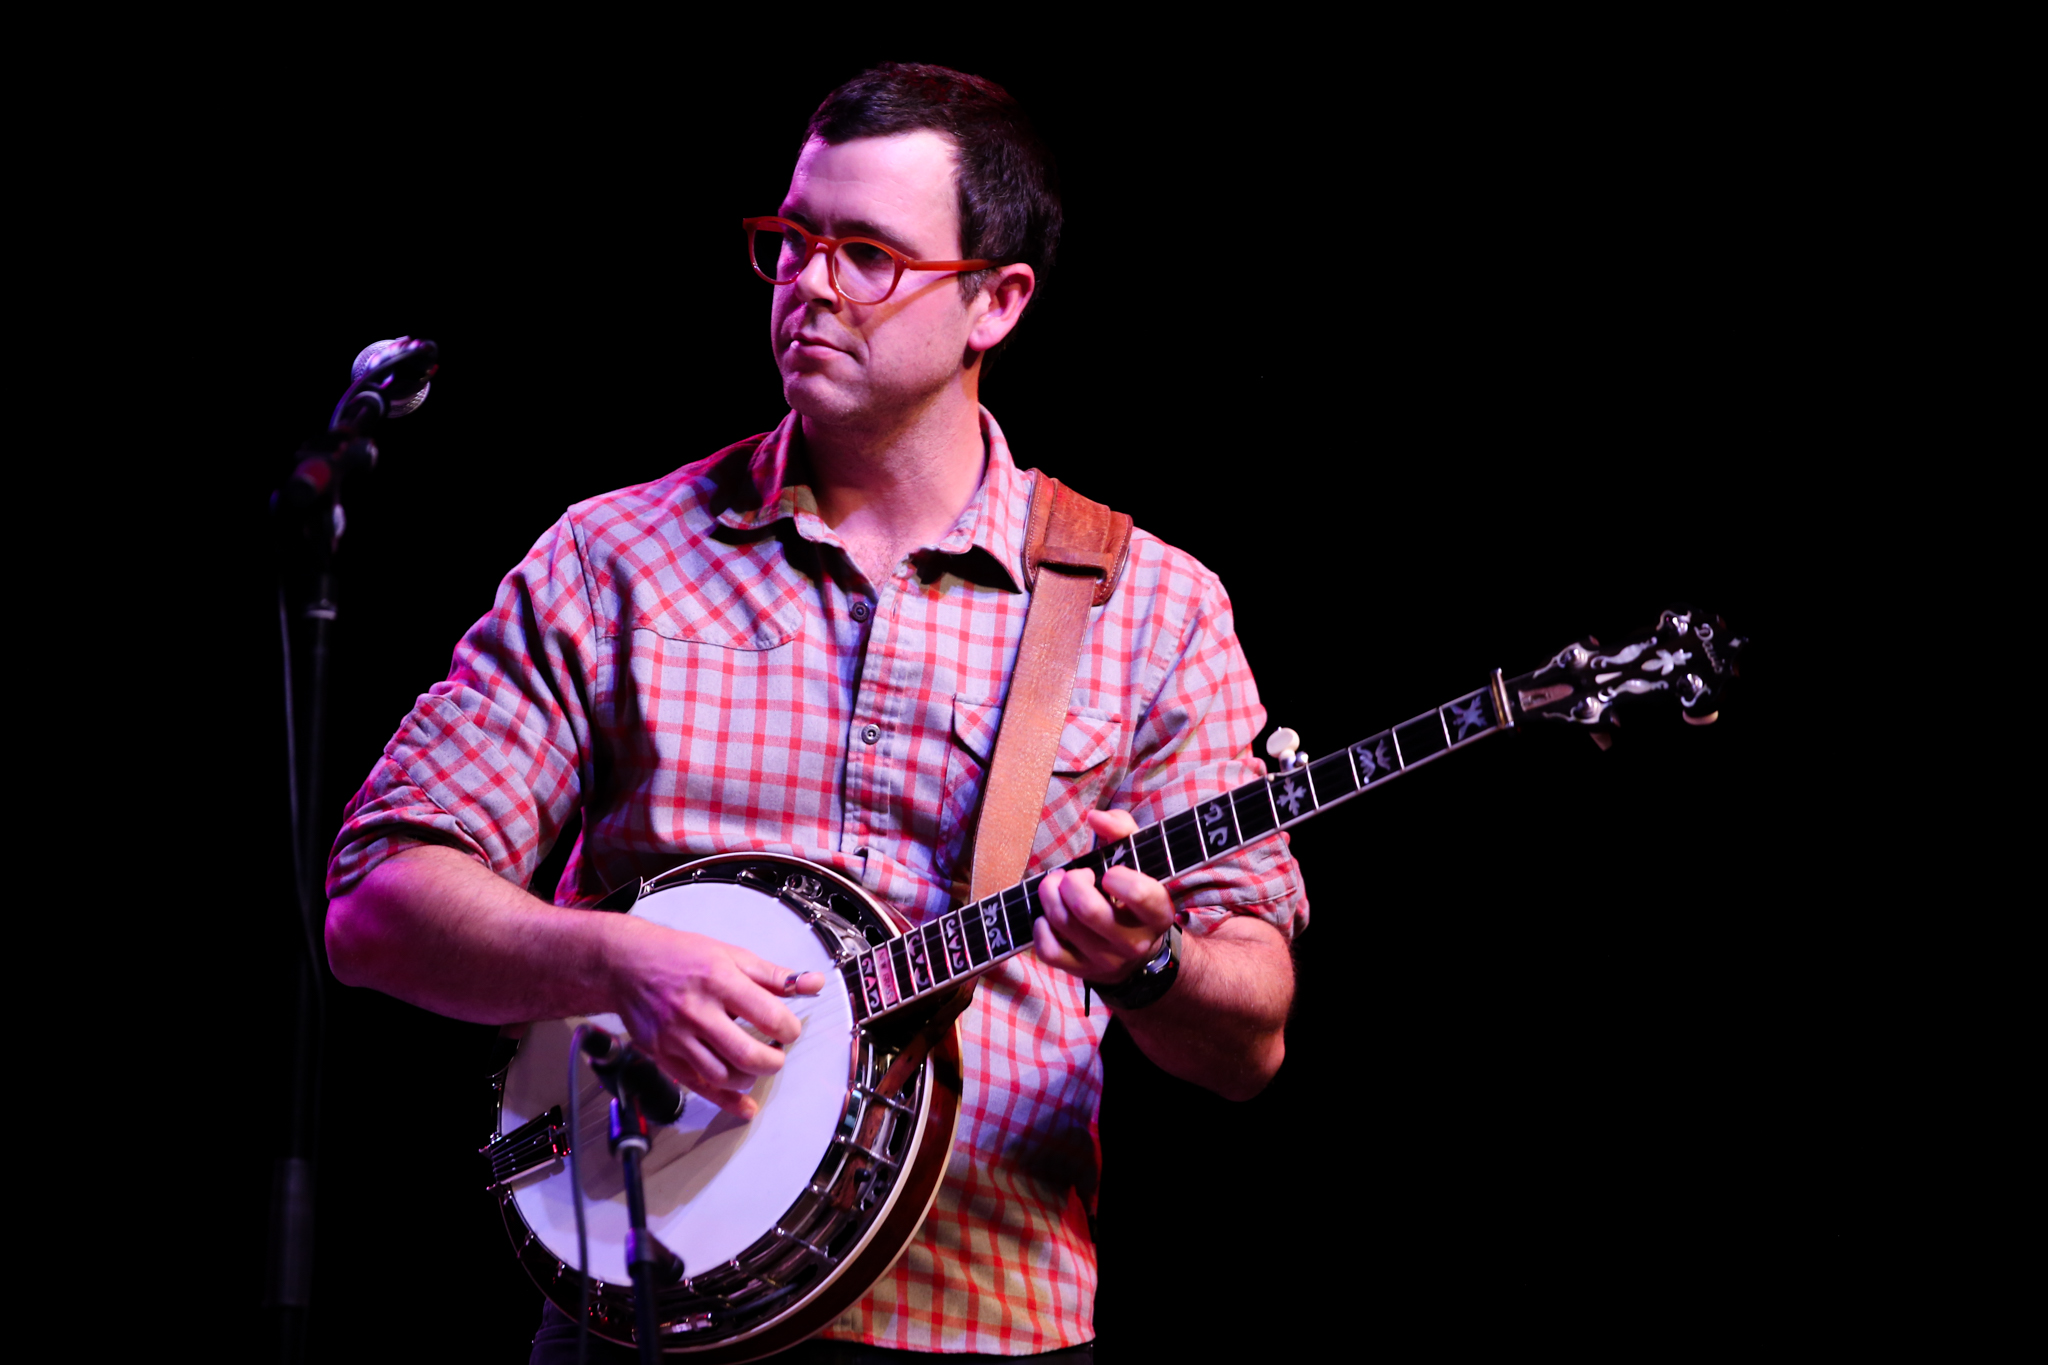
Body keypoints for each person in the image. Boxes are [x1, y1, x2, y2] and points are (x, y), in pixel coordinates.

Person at [324, 63, 1307, 1362]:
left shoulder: (1150, 606)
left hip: (982, 1320)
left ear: (995, 302)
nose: (810, 284)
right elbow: (374, 903)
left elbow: (1252, 1036)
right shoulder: (616, 556)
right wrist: (614, 959)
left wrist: (1151, 963)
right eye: (789, 241)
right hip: (639, 1321)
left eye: (867, 253)